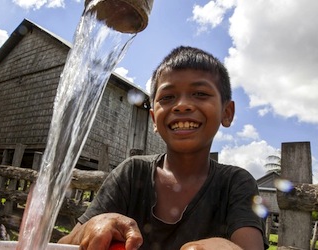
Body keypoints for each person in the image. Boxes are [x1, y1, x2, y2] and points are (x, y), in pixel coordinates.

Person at [58, 46, 268, 250]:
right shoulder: (131, 174)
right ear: (154, 121)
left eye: (200, 94)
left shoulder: (236, 183)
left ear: (227, 112)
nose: (182, 105)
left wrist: (227, 247)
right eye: (167, 97)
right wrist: (90, 228)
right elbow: (62, 246)